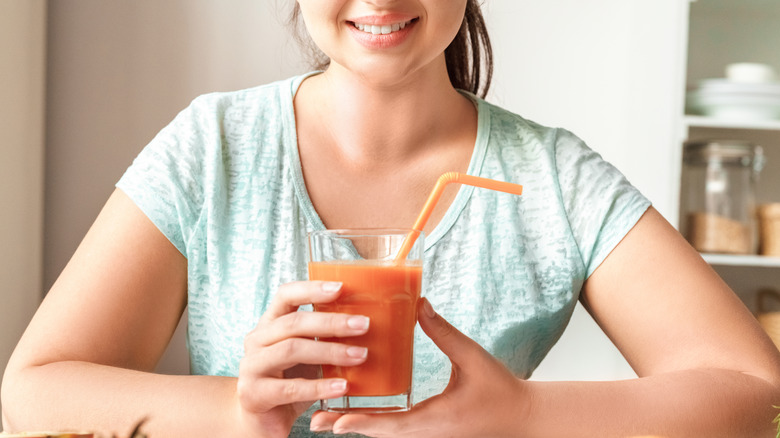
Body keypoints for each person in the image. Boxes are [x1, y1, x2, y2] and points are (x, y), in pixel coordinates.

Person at [3, 1, 780, 437]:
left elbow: (748, 384)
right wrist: (236, 409)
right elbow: (34, 392)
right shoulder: (214, 148)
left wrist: (526, 416)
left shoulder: (550, 178)